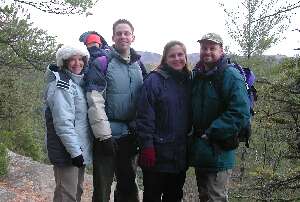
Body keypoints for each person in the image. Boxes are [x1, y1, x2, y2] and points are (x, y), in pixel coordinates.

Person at [84, 19, 144, 202]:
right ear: (112, 37)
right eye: (119, 33)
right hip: (107, 137)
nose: (123, 36)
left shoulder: (138, 65)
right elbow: (95, 100)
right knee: (102, 189)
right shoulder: (102, 63)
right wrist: (104, 136)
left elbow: (145, 100)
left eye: (127, 33)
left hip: (130, 135)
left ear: (133, 37)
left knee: (128, 187)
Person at [190, 33, 250, 201]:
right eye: (204, 48)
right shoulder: (199, 75)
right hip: (201, 148)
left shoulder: (230, 75)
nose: (207, 52)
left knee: (216, 197)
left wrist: (211, 131)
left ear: (221, 50)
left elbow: (240, 112)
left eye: (212, 48)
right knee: (204, 195)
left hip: (219, 148)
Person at [136, 40, 191, 202]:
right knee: (152, 196)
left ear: (186, 57)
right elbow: (144, 117)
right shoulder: (154, 81)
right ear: (165, 59)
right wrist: (147, 146)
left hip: (179, 154)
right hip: (156, 153)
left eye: (180, 55)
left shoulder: (188, 80)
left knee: (174, 196)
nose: (177, 58)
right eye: (172, 56)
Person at [44, 43, 93, 202]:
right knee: (67, 195)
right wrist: (75, 152)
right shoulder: (62, 86)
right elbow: (63, 123)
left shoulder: (77, 84)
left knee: (75, 191)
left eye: (80, 59)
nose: (77, 63)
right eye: (72, 59)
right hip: (66, 151)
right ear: (63, 62)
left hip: (76, 150)